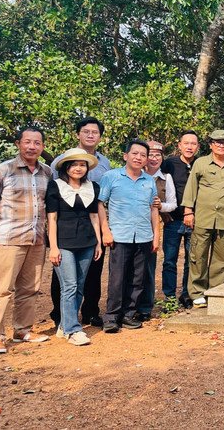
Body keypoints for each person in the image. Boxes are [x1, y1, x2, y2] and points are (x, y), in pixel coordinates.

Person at [0, 126, 52, 354]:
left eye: (37, 143)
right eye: (27, 142)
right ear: (18, 144)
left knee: (30, 288)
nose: (32, 147)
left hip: (37, 238)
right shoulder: (3, 169)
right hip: (9, 239)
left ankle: (22, 330)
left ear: (43, 146)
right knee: (2, 289)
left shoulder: (46, 172)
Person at [50, 117, 111, 328]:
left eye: (95, 132)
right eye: (86, 131)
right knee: (63, 276)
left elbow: (100, 201)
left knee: (93, 271)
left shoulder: (104, 163)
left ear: (100, 137)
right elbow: (54, 195)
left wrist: (102, 232)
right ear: (78, 134)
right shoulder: (61, 160)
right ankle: (61, 316)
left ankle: (90, 312)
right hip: (66, 226)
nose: (91, 135)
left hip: (92, 224)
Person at [98, 140, 160, 333]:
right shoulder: (111, 177)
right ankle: (111, 317)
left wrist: (156, 236)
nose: (138, 157)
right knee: (117, 278)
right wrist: (105, 231)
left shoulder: (149, 181)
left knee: (137, 278)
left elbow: (153, 209)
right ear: (126, 156)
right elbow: (100, 204)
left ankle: (128, 314)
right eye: (135, 153)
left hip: (143, 236)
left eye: (143, 155)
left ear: (146, 160)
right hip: (119, 236)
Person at [45, 149, 102, 346]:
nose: (78, 168)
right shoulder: (55, 186)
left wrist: (98, 242)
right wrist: (53, 247)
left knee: (79, 284)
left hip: (87, 242)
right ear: (66, 168)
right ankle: (73, 330)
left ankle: (65, 325)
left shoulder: (92, 187)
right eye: (74, 165)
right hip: (64, 242)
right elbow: (52, 219)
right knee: (69, 285)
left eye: (82, 165)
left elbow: (94, 216)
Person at [183, 130, 224, 307]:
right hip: (203, 218)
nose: (221, 145)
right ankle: (197, 292)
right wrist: (188, 211)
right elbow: (191, 187)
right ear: (211, 145)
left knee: (222, 258)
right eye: (217, 142)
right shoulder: (201, 163)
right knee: (198, 255)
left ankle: (215, 291)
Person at [137, 140, 177, 320]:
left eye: (158, 155)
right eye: (150, 155)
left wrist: (161, 207)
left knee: (148, 267)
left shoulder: (166, 178)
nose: (154, 159)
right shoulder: (133, 175)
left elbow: (173, 203)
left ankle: (145, 307)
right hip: (131, 226)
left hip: (152, 228)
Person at [161, 130, 200, 307]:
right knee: (170, 260)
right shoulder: (169, 164)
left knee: (191, 260)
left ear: (198, 147)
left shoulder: (201, 164)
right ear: (179, 145)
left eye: (193, 144)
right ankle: (169, 297)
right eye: (186, 143)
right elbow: (159, 185)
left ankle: (187, 294)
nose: (189, 147)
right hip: (173, 221)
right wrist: (163, 212)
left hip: (195, 220)